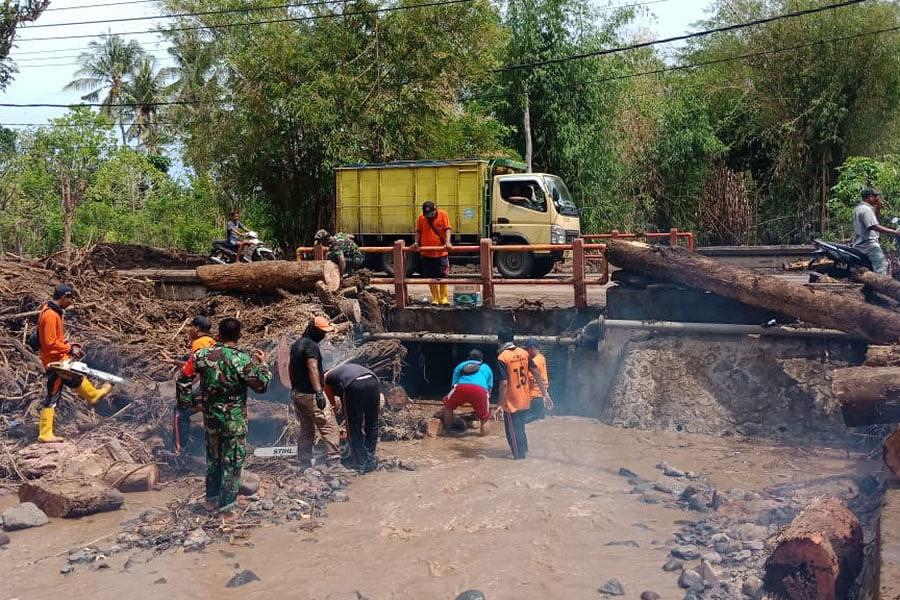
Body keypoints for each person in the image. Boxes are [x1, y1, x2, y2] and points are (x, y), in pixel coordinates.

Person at [176, 317, 271, 517]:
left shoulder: (201, 355)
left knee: (214, 460)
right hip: (234, 421)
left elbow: (183, 379)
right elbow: (261, 386)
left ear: (218, 333)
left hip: (211, 419)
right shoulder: (242, 359)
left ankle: (211, 499)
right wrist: (264, 365)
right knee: (233, 463)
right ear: (239, 336)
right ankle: (227, 508)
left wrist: (189, 404)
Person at [36, 284, 112, 443]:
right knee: (53, 394)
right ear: (64, 297)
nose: (71, 302)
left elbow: (56, 339)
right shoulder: (50, 315)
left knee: (75, 378)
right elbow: (49, 343)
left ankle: (93, 395)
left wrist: (69, 345)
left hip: (59, 358)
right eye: (71, 298)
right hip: (54, 362)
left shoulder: (53, 312)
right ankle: (45, 433)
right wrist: (69, 348)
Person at [289, 316, 348, 472]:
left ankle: (304, 464)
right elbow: (312, 368)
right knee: (330, 427)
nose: (324, 335)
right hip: (311, 394)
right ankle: (334, 465)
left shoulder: (296, 345)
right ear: (314, 330)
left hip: (298, 394)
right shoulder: (311, 346)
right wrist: (319, 392)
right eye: (322, 332)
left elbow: (290, 368)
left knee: (306, 429)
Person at [496, 329, 551, 459]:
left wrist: (500, 405)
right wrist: (545, 394)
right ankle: (524, 451)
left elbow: (504, 384)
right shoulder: (524, 353)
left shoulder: (502, 357)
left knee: (512, 432)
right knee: (520, 427)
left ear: (499, 341)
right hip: (525, 398)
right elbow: (537, 374)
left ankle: (519, 457)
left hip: (511, 401)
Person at [324, 363, 381, 473]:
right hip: (373, 381)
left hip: (354, 383)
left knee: (353, 427)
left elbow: (332, 406)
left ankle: (361, 463)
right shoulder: (341, 370)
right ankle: (370, 459)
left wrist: (338, 425)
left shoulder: (326, 379)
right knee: (372, 422)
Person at [173, 315, 216, 454]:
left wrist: (188, 391)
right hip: (218, 389)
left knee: (179, 412)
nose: (189, 330)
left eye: (191, 327)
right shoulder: (211, 341)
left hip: (209, 390)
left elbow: (197, 368)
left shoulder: (199, 343)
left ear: (196, 328)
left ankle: (180, 450)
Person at [442, 349, 493, 436]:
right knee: (484, 417)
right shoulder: (486, 367)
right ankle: (484, 439)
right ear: (481, 359)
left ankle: (447, 432)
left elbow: (453, 386)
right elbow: (489, 390)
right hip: (480, 390)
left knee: (448, 407)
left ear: (468, 358)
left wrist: (455, 400)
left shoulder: (460, 365)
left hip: (461, 387)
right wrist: (482, 405)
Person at [411, 200, 452, 305]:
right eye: (426, 214)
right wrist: (416, 242)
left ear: (435, 209)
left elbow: (447, 229)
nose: (429, 216)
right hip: (427, 253)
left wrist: (447, 242)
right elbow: (419, 231)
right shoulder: (421, 218)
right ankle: (435, 298)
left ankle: (444, 298)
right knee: (431, 276)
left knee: (443, 275)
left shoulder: (443, 215)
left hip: (441, 252)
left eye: (431, 214)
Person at [851, 187, 900, 275]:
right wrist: (894, 232)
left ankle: (870, 287)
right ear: (870, 197)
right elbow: (873, 226)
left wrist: (878, 209)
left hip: (860, 243)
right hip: (869, 245)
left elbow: (875, 221)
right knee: (881, 265)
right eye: (876, 196)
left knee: (869, 267)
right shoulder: (866, 210)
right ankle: (881, 286)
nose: (878, 198)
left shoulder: (859, 208)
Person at [523, 338, 550, 423]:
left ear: (532, 348)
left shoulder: (534, 361)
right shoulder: (542, 357)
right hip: (540, 396)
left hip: (533, 397)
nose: (526, 352)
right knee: (539, 423)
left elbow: (530, 379)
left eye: (527, 349)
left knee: (527, 423)